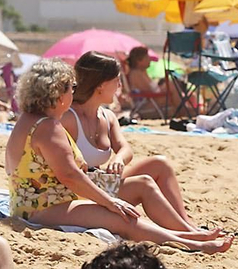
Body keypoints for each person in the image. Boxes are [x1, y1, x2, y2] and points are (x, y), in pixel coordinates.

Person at [3, 59, 230, 254]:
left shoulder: (30, 119)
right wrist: (110, 202)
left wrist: (108, 198)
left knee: (140, 188)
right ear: (57, 93)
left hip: (36, 202)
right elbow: (70, 176)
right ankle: (188, 242)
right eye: (70, 87)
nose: (74, 91)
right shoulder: (48, 126)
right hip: (43, 207)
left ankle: (187, 234)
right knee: (124, 218)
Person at [61, 51, 205, 233]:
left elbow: (125, 148)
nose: (120, 86)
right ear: (102, 85)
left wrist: (119, 159)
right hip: (84, 189)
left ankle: (186, 224)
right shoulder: (68, 118)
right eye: (117, 81)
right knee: (144, 183)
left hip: (101, 180)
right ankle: (189, 233)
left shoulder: (107, 116)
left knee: (160, 164)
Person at [122, 46, 167, 119]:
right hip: (146, 105)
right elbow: (149, 91)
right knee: (172, 87)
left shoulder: (142, 72)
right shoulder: (136, 73)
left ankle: (187, 110)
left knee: (173, 88)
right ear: (139, 61)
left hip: (152, 101)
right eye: (147, 58)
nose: (150, 60)